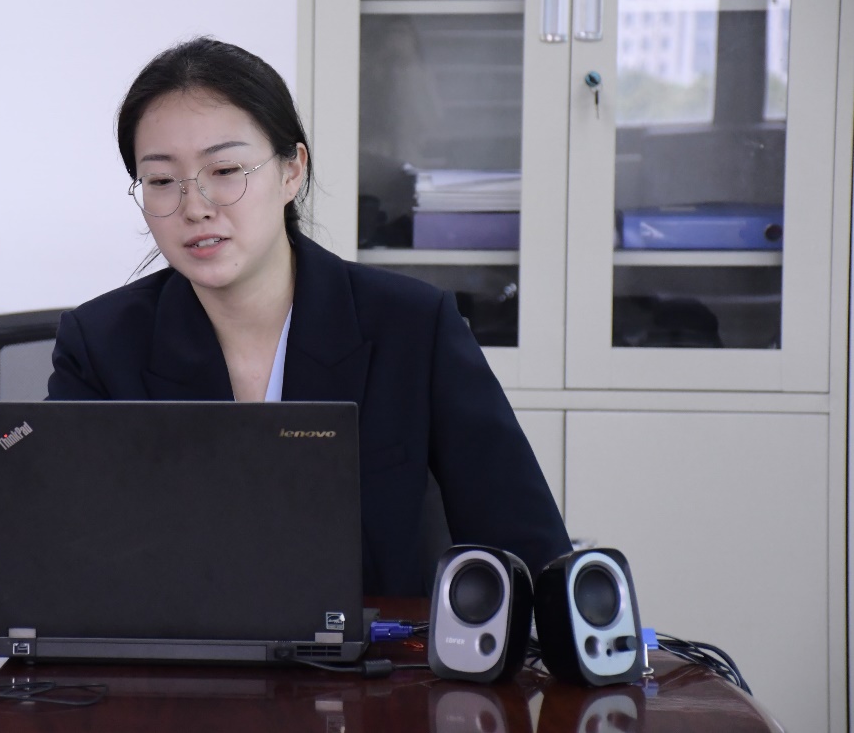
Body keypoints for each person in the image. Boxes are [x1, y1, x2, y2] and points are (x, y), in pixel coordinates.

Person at [47, 37, 570, 596]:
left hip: (380, 650)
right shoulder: (100, 346)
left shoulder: (415, 328)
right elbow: (56, 559)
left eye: (225, 169)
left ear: (292, 171)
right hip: (174, 650)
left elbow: (530, 556)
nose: (194, 206)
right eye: (160, 181)